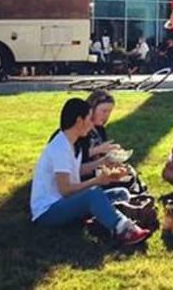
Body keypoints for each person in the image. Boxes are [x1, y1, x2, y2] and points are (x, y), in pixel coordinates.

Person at [30, 97, 150, 246]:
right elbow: (66, 190)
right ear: (79, 121)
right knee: (93, 194)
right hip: (49, 211)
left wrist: (103, 162)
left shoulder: (73, 143)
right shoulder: (60, 148)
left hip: (65, 202)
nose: (92, 124)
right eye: (89, 119)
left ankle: (104, 219)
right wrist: (97, 181)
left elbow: (76, 170)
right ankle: (124, 230)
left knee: (120, 193)